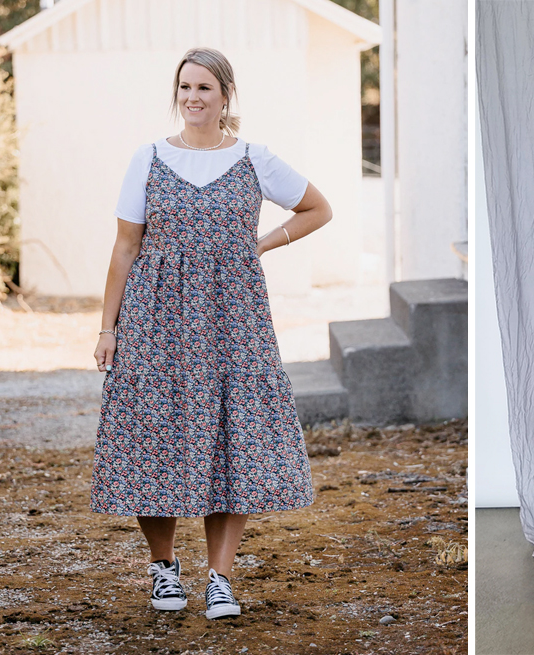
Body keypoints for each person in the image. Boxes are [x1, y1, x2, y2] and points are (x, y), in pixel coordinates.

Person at [91, 47, 332, 620]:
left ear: (226, 95)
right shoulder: (146, 158)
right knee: (156, 437)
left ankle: (219, 578)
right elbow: (125, 247)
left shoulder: (254, 158)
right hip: (156, 317)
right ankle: (164, 570)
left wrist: (261, 244)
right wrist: (108, 328)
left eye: (204, 88)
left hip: (235, 322)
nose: (192, 98)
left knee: (234, 441)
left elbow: (317, 209)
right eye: (184, 88)